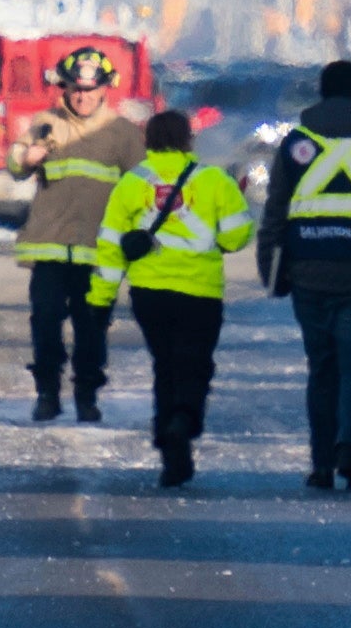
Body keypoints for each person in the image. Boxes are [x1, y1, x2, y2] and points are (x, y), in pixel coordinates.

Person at [256, 58, 351, 492]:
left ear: (321, 94)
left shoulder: (295, 145)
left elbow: (276, 212)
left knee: (322, 368)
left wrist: (271, 269)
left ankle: (321, 462)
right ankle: (348, 446)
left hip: (309, 271)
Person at [88, 108, 252, 487]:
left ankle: (170, 452)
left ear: (148, 142)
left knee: (165, 365)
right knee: (195, 365)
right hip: (200, 292)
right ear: (188, 140)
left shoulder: (131, 183)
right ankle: (183, 419)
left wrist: (101, 300)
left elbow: (110, 245)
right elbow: (235, 238)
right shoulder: (213, 181)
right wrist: (235, 202)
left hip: (150, 294)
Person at [6, 45, 144, 422]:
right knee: (46, 324)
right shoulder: (45, 122)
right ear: (63, 88)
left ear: (105, 89)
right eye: (75, 89)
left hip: (98, 252)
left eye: (90, 89)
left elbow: (143, 186)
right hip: (50, 250)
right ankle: (47, 393)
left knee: (92, 330)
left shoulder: (122, 132)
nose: (82, 97)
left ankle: (87, 395)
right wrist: (25, 159)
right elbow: (13, 163)